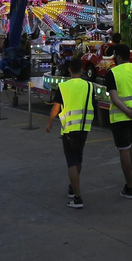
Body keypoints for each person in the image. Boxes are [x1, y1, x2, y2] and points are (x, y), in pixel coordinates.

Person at [102, 51, 132, 197]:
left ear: (117, 57)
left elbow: (115, 99)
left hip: (120, 118)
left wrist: (129, 113)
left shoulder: (113, 73)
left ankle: (129, 188)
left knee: (124, 149)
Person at [46, 64, 95, 208]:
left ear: (69, 70)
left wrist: (49, 122)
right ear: (82, 70)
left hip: (69, 129)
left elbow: (56, 107)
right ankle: (73, 187)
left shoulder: (63, 86)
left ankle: (77, 197)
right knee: (78, 159)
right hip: (84, 127)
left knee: (71, 162)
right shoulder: (90, 86)